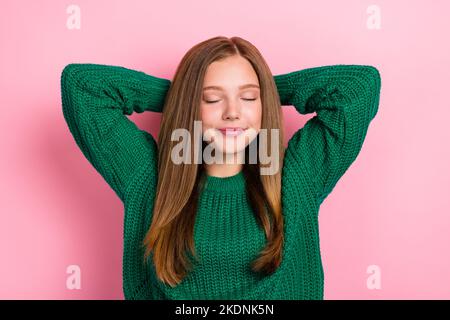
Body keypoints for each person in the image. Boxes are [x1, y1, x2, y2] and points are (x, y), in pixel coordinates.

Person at [60, 36, 381, 300]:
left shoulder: (295, 175)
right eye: (213, 99)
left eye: (249, 98)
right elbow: (82, 86)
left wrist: (269, 90)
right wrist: (182, 95)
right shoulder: (149, 178)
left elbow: (358, 87)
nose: (232, 113)